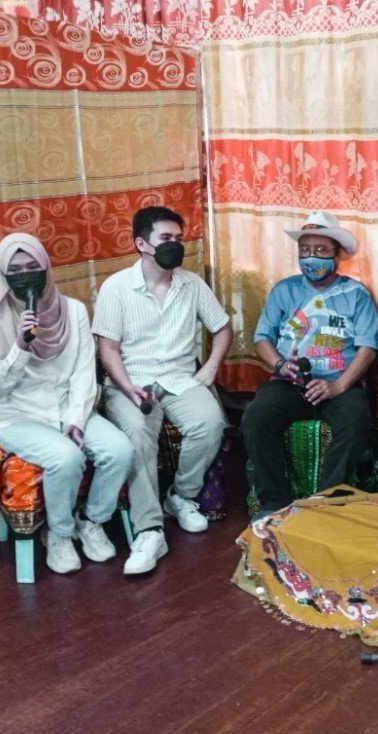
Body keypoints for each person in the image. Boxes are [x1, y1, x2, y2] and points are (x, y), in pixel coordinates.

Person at [0, 233, 133, 575]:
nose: (25, 274)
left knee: (120, 449)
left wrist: (76, 419)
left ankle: (91, 520)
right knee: (66, 456)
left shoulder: (72, 311)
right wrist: (20, 347)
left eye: (33, 266)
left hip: (69, 409)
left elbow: (83, 375)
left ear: (46, 267)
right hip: (19, 418)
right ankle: (58, 533)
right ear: (3, 275)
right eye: (14, 269)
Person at [93, 206, 232, 575]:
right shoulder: (116, 287)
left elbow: (222, 328)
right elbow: (106, 349)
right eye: (165, 239)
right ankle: (150, 530)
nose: (175, 246)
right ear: (142, 243)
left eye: (178, 239)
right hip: (130, 380)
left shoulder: (192, 284)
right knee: (138, 435)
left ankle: (181, 497)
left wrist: (210, 368)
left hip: (180, 379)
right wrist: (127, 387)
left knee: (210, 423)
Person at [242, 211, 378, 521]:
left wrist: (338, 385)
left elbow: (368, 346)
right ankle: (273, 503)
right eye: (304, 250)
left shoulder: (356, 294)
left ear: (337, 254)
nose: (310, 257)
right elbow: (262, 338)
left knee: (355, 420)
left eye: (320, 251)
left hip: (339, 384)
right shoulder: (284, 290)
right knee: (256, 417)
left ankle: (327, 505)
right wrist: (280, 363)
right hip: (290, 384)